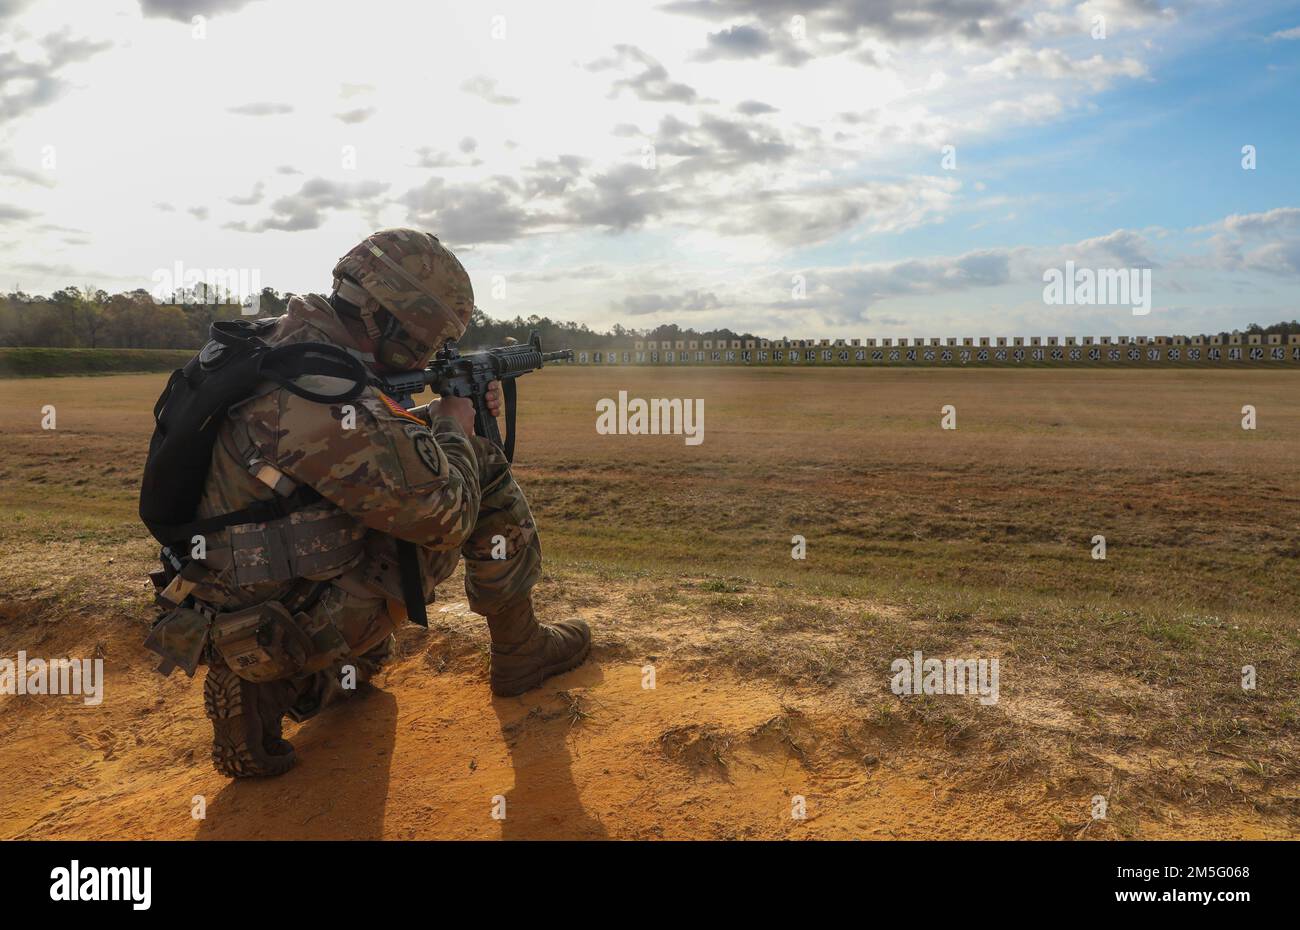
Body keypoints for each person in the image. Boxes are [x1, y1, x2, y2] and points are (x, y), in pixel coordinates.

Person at [180, 227, 590, 777]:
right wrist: (455, 426)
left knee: (366, 667)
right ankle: (521, 653)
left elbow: (356, 452)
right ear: (382, 315)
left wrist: (448, 411)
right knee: (480, 468)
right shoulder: (321, 392)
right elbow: (443, 517)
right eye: (423, 340)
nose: (428, 353)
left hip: (217, 598)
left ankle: (290, 683)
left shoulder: (272, 347)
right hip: (292, 614)